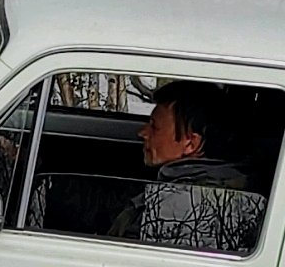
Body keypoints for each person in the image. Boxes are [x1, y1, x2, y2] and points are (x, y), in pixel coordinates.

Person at [110, 81, 263, 253]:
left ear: (191, 143)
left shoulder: (184, 207)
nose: (143, 133)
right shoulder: (221, 186)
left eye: (154, 127)